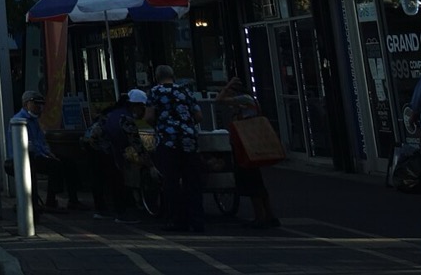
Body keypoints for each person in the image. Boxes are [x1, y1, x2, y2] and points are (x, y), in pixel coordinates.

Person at [146, 64, 204, 234]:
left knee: (171, 181)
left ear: (157, 77)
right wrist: (185, 125)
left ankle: (177, 219)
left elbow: (149, 117)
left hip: (168, 140)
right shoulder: (185, 91)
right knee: (192, 181)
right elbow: (199, 116)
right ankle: (197, 221)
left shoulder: (155, 92)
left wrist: (160, 125)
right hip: (188, 139)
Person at [216, 76, 280, 228]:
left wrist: (226, 88)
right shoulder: (250, 100)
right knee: (257, 181)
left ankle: (261, 216)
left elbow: (218, 101)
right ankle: (268, 214)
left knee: (251, 181)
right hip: (252, 144)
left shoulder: (243, 100)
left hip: (246, 144)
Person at [15, 90, 83, 210]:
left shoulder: (34, 120)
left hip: (40, 153)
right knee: (55, 165)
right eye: (36, 104)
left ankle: (73, 199)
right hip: (28, 157)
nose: (39, 108)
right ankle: (51, 201)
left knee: (69, 163)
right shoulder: (19, 121)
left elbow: (41, 140)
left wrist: (48, 152)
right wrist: (45, 154)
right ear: (27, 104)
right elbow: (28, 145)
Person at [86, 89, 146, 222]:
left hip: (93, 147)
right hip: (105, 149)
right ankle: (121, 213)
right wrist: (147, 161)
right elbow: (135, 141)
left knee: (102, 181)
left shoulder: (111, 112)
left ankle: (102, 210)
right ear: (135, 105)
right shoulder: (126, 118)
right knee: (116, 180)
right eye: (142, 107)